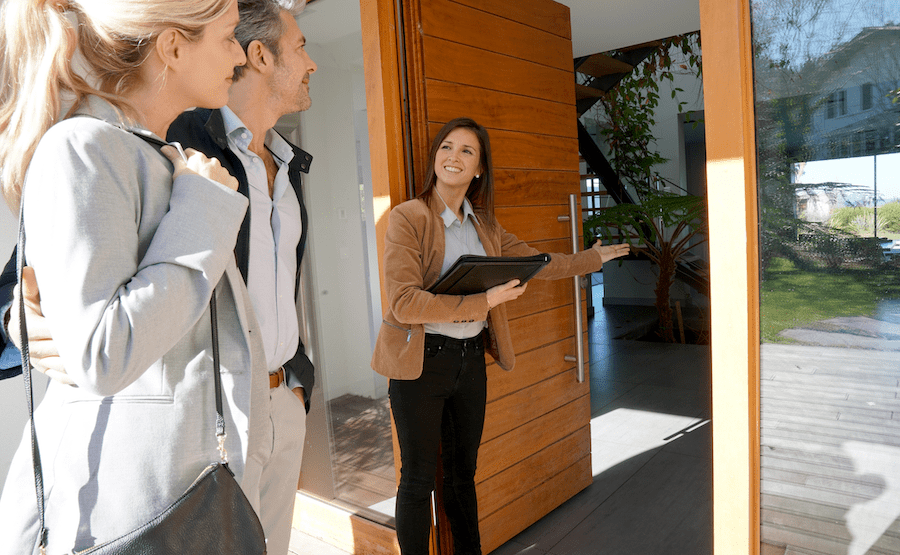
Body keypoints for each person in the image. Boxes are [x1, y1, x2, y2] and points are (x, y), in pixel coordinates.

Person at [0, 2, 319, 553]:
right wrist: (25, 321)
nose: (238, 54)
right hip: (144, 498)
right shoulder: (121, 148)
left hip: (247, 429)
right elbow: (70, 319)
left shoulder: (194, 157)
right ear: (173, 46)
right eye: (226, 38)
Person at [371, 117, 631, 555]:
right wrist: (484, 302)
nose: (453, 157)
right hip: (421, 364)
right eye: (447, 147)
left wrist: (590, 259)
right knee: (417, 480)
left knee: (461, 476)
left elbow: (539, 263)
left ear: (479, 170)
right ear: (436, 158)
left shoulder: (485, 227)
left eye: (466, 151)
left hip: (470, 361)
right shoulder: (407, 217)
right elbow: (404, 303)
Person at [166, 1, 317, 552]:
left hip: (284, 400)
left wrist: (297, 384)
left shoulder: (289, 164)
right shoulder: (181, 144)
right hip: (221, 417)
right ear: (259, 55)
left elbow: (281, 281)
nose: (312, 63)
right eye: (300, 47)